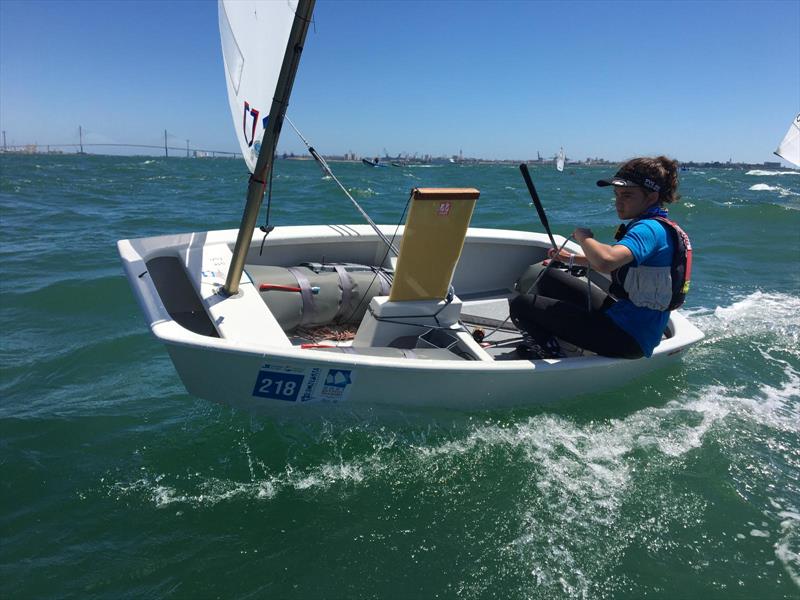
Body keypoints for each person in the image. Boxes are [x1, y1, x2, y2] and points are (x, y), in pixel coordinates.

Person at [509, 156, 690, 359]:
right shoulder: (656, 225)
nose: (618, 203)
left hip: (629, 337)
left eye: (627, 195)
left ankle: (549, 351)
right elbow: (619, 264)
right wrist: (569, 259)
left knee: (520, 305)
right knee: (548, 277)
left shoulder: (648, 229)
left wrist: (584, 238)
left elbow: (606, 261)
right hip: (625, 318)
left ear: (651, 198)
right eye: (617, 194)